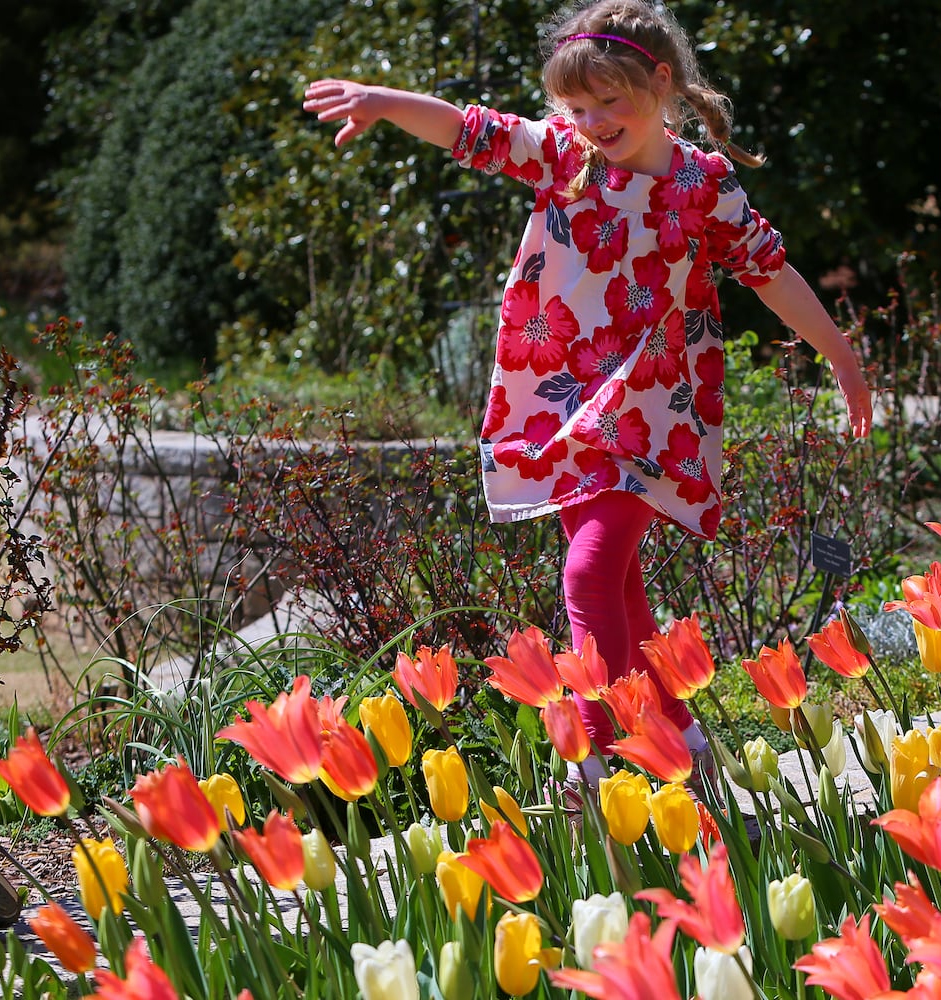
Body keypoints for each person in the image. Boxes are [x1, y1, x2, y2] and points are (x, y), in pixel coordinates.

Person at [304, 0, 872, 793]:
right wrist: (383, 102)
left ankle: (602, 760)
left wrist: (840, 356)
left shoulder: (703, 187)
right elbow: (471, 131)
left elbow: (769, 272)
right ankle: (683, 746)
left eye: (611, 101)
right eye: (578, 106)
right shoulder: (563, 157)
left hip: (651, 412)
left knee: (590, 575)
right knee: (623, 592)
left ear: (661, 82)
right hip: (564, 406)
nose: (595, 120)